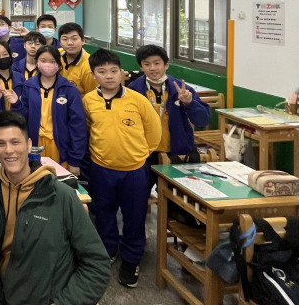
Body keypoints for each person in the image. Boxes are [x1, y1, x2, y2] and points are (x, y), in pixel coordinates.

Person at [0, 111, 110, 305]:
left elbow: (97, 265)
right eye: (1, 144)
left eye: (15, 142)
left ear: (29, 144)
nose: (9, 150)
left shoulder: (61, 196)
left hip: (45, 298)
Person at [83, 49, 161, 289]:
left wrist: (139, 155)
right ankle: (107, 250)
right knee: (104, 212)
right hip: (101, 169)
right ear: (94, 75)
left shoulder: (137, 100)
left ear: (122, 73)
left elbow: (154, 132)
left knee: (134, 215)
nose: (109, 76)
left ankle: (131, 257)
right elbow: (86, 131)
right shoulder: (88, 101)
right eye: (102, 71)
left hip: (134, 171)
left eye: (113, 71)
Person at [128, 44, 211, 179]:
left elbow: (202, 120)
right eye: (147, 64)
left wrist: (189, 103)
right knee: (141, 190)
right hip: (144, 154)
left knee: (177, 191)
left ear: (166, 65)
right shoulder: (133, 90)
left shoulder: (181, 89)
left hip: (177, 152)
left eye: (157, 63)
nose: (152, 68)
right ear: (141, 67)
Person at [12, 46, 86, 176]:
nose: (48, 65)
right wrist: (16, 104)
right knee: (35, 181)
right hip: (34, 147)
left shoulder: (69, 90)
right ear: (37, 62)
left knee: (59, 183)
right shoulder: (28, 86)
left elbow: (78, 126)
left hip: (60, 149)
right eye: (43, 60)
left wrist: (75, 160)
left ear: (59, 64)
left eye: (52, 61)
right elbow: (22, 119)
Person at [58, 22, 98, 97]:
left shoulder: (89, 66)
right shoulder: (57, 55)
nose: (70, 43)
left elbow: (93, 97)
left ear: (83, 40)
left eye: (74, 39)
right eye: (65, 39)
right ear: (60, 42)